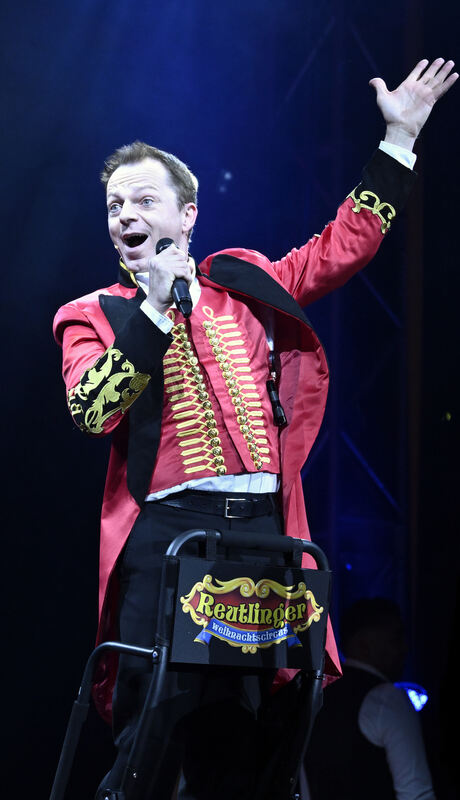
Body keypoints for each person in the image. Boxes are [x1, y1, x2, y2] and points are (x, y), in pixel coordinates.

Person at [53, 59, 456, 800]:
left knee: (254, 745)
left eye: (143, 200)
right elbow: (92, 407)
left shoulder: (242, 283)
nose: (124, 215)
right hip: (168, 537)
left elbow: (341, 247)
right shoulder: (93, 313)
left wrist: (398, 140)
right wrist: (154, 310)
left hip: (265, 536)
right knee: (150, 742)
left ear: (187, 216)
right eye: (114, 205)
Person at [304, 597, 436, 800]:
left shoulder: (316, 697)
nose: (404, 649)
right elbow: (417, 794)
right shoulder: (388, 699)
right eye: (395, 639)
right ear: (363, 643)